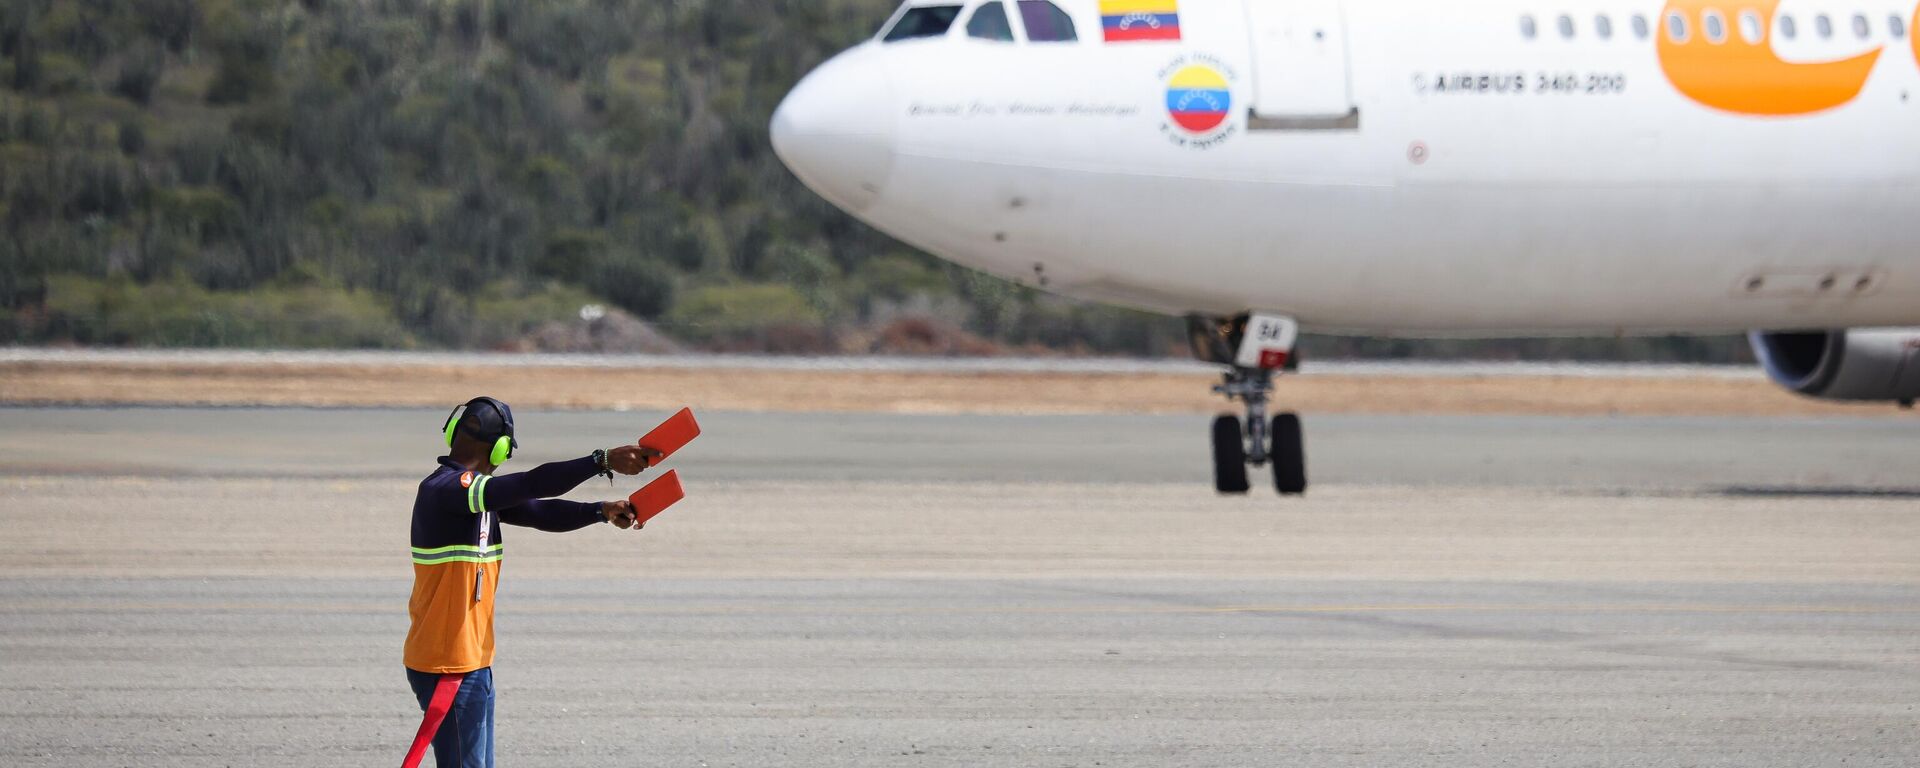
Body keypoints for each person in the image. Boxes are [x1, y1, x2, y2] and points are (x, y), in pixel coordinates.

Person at [405, 396, 659, 767]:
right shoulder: (448, 490)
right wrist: (600, 460)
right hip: (448, 666)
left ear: (452, 433)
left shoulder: (475, 498)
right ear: (501, 448)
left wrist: (600, 512)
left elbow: (539, 510)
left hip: (471, 662)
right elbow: (532, 484)